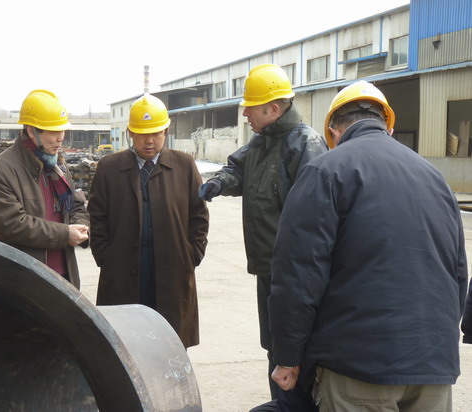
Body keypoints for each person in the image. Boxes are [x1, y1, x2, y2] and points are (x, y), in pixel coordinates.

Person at [270, 80, 468, 412]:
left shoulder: (325, 171)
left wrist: (288, 356)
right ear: (388, 128)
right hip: (433, 366)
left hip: (357, 368)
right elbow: (458, 273)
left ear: (333, 132)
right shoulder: (435, 178)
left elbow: (298, 275)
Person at [198, 63, 328, 407]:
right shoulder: (261, 142)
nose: (245, 114)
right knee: (275, 346)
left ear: (272, 109)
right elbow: (237, 169)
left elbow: (317, 218)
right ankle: (283, 404)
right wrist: (219, 182)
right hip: (268, 269)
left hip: (295, 274)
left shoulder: (305, 145)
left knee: (295, 350)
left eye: (250, 107)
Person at [87, 93, 209, 349]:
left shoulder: (184, 166)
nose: (149, 141)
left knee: (170, 346)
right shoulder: (109, 168)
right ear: (131, 133)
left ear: (166, 131)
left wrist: (192, 254)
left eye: (155, 133)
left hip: (172, 272)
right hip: (123, 273)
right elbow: (97, 218)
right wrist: (106, 258)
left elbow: (198, 215)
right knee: (125, 345)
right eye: (142, 134)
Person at [0, 89, 89, 288]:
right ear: (32, 131)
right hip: (22, 282)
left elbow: (75, 206)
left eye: (62, 130)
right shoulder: (1, 170)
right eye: (53, 131)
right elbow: (12, 225)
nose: (60, 138)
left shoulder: (58, 166)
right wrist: (65, 234)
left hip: (64, 277)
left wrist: (80, 226)